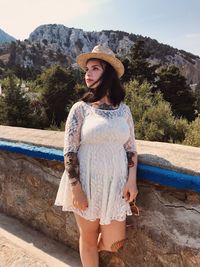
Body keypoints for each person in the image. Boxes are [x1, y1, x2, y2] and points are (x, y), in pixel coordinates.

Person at [54, 45, 138, 267]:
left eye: (95, 68)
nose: (87, 74)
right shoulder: (80, 109)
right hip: (87, 184)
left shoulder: (123, 110)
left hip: (117, 185)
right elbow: (69, 151)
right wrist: (76, 188)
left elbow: (131, 148)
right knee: (88, 239)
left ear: (108, 73)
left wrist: (132, 180)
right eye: (87, 69)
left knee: (115, 243)